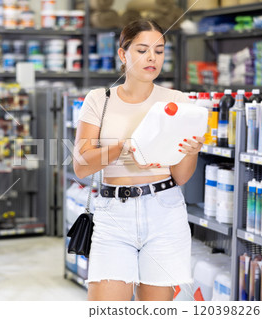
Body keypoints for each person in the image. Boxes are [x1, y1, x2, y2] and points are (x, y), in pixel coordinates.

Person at [74, 19, 204, 301]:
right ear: (123, 54)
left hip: (165, 212)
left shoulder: (177, 100)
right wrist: (126, 147)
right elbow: (82, 165)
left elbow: (180, 177)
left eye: (159, 51)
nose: (151, 58)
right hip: (114, 215)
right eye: (142, 50)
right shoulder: (100, 99)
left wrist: (191, 151)